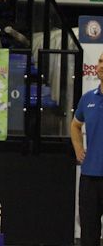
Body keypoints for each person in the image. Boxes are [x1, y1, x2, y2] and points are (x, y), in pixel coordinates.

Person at [72, 51, 103, 246]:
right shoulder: (88, 98)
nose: (101, 65)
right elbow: (75, 125)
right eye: (100, 61)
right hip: (90, 176)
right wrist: (78, 148)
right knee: (89, 234)